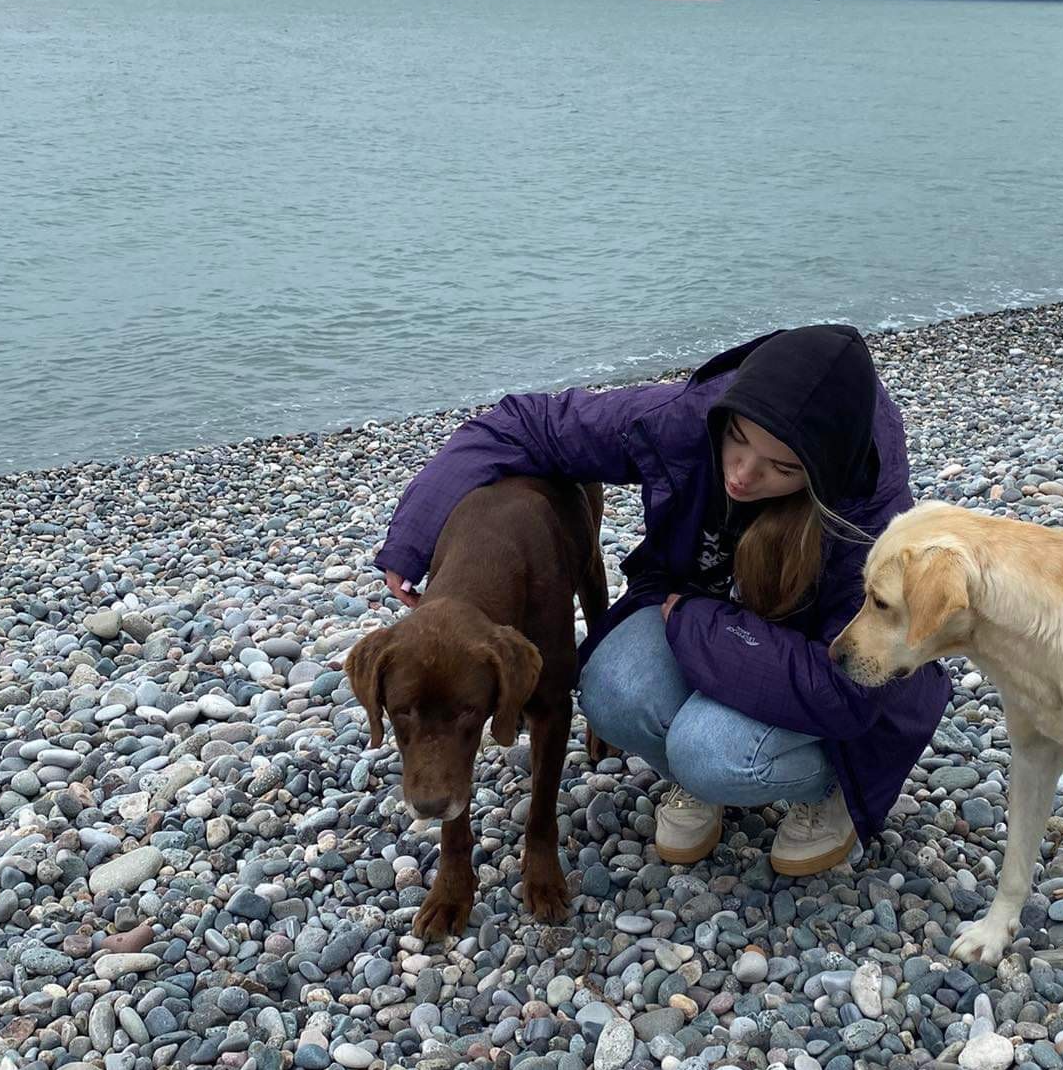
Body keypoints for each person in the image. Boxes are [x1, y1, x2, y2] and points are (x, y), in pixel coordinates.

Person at [374, 324, 951, 874]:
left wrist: (702, 624)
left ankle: (828, 791)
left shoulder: (870, 519)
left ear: (825, 470)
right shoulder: (691, 419)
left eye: (781, 467)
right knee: (611, 689)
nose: (743, 477)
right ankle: (702, 783)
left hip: (808, 668)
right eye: (738, 441)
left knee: (713, 752)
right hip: (701, 614)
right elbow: (520, 422)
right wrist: (414, 535)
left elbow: (845, 689)